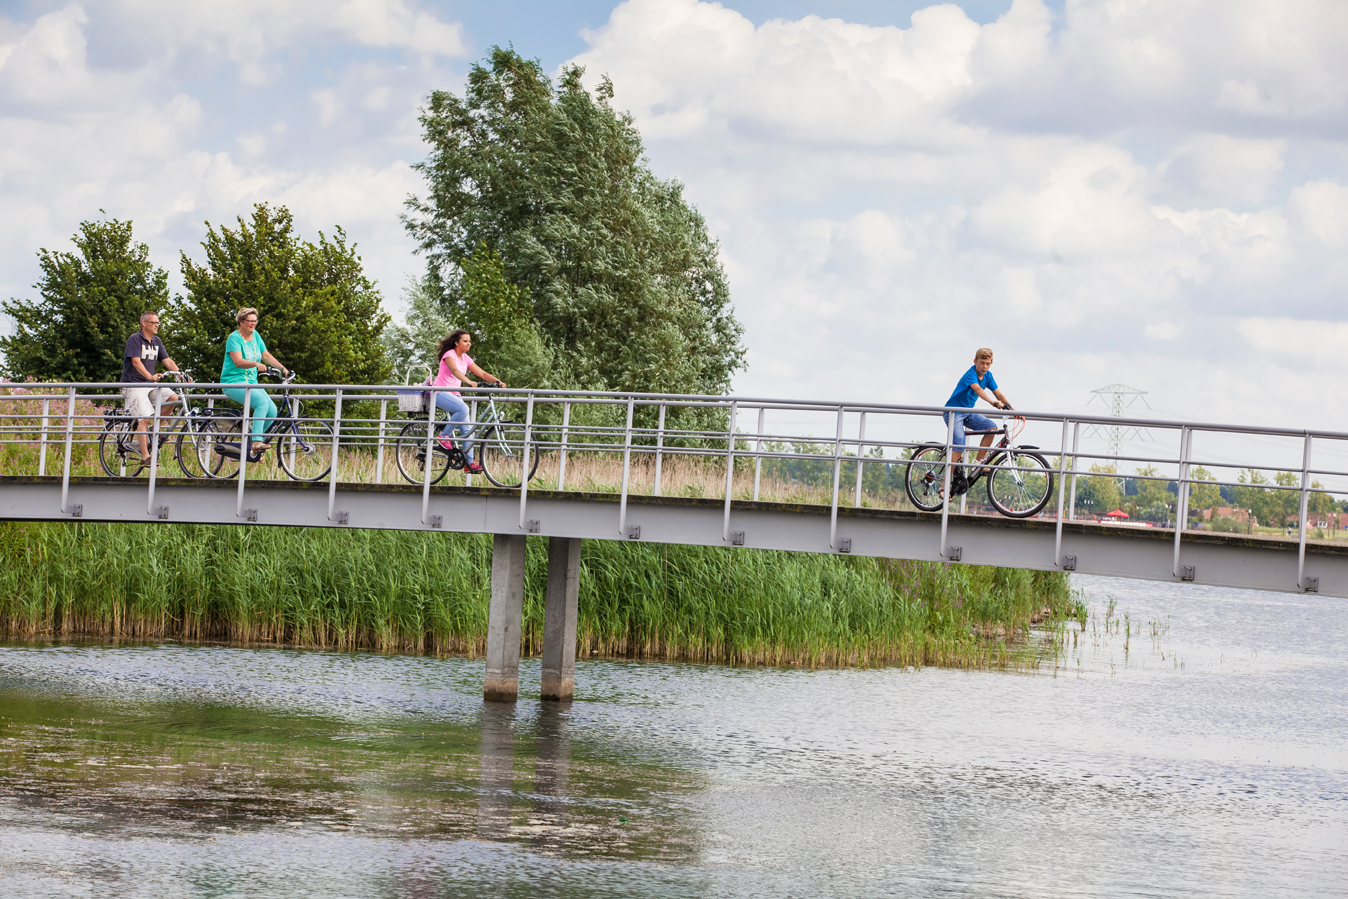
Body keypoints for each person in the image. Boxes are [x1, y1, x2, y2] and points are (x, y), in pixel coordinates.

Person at [221, 308, 289, 462]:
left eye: (255, 321)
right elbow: (238, 361)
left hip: (251, 382)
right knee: (262, 402)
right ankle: (256, 441)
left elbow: (266, 355)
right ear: (241, 322)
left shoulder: (256, 336)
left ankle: (251, 447)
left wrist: (283, 369)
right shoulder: (234, 338)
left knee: (272, 411)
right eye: (249, 321)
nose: (253, 324)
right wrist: (255, 363)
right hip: (233, 382)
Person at [432, 329, 504, 475]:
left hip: (454, 395)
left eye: (469, 341)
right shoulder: (449, 354)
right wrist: (469, 382)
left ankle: (468, 463)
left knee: (468, 431)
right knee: (464, 409)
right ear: (456, 342)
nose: (468, 343)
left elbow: (482, 373)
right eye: (465, 341)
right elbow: (454, 370)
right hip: (439, 392)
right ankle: (443, 436)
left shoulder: (466, 358)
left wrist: (498, 381)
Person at [943, 347, 1014, 493]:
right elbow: (978, 390)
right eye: (982, 363)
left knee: (991, 428)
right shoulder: (970, 374)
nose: (984, 367)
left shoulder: (988, 376)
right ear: (975, 361)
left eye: (988, 363)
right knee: (959, 447)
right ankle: (943, 486)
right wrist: (991, 402)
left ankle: (978, 465)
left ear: (991, 363)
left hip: (968, 413)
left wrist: (1014, 410)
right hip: (953, 413)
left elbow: (998, 393)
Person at [121, 311, 189, 461]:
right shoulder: (135, 339)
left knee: (173, 398)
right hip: (133, 385)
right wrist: (150, 377)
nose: (157, 325)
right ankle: (145, 457)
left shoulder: (156, 341)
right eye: (154, 323)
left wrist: (181, 374)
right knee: (144, 418)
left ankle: (155, 430)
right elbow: (136, 362)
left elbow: (167, 360)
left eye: (158, 323)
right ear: (144, 323)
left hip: (149, 384)